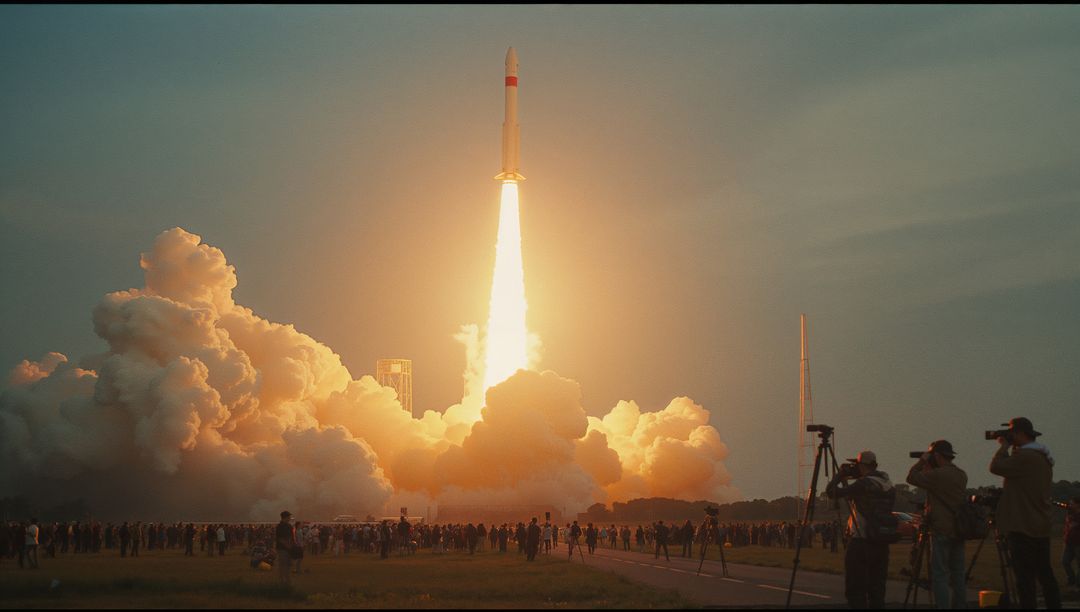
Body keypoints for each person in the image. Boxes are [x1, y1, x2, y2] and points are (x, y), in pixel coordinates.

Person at [990, 417, 1062, 609]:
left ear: (1019, 434)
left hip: (1022, 525)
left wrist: (1003, 447)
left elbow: (995, 467)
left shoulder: (1025, 457)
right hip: (1039, 524)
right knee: (1045, 574)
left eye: (1011, 434)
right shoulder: (1042, 457)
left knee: (1025, 579)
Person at [826, 450, 896, 609]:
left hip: (861, 540)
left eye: (856, 465)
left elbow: (831, 492)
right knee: (877, 589)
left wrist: (839, 475)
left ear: (862, 465)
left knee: (855, 588)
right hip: (881, 540)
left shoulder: (863, 484)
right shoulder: (887, 483)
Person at [907, 440, 968, 609]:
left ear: (937, 456)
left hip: (941, 529)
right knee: (958, 574)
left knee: (940, 575)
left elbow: (911, 477)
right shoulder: (961, 474)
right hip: (958, 529)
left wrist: (922, 461)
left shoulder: (938, 475)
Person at [1064, 497, 1080, 589]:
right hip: (1069, 543)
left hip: (1078, 543)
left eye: (1072, 503)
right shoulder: (1070, 513)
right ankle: (1072, 579)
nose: (1070, 505)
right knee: (1065, 562)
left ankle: (1078, 584)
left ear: (1078, 504)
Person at [274, 511, 294, 586]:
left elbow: (291, 537)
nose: (290, 518)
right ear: (285, 517)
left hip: (289, 548)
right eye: (289, 517)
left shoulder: (289, 526)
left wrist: (292, 546)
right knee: (282, 565)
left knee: (288, 565)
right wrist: (287, 545)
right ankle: (282, 582)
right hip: (282, 548)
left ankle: (288, 581)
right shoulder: (280, 526)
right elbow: (280, 538)